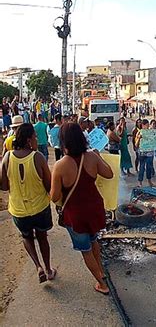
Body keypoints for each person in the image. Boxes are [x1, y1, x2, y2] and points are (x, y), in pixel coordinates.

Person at [50, 122, 113, 295]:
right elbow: (109, 174)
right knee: (94, 241)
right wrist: (99, 157)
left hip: (75, 214)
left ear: (63, 141)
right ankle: (100, 271)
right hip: (94, 208)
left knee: (85, 250)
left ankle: (101, 283)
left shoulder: (60, 165)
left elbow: (54, 197)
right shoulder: (92, 157)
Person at [1, 123, 56, 283]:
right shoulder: (37, 157)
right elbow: (48, 185)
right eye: (34, 136)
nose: (36, 139)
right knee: (42, 237)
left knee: (27, 237)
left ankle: (38, 266)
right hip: (40, 207)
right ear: (28, 139)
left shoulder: (7, 157)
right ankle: (48, 269)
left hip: (18, 209)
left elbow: (3, 186)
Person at [135, 119, 155, 187]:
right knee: (142, 167)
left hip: (150, 153)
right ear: (143, 126)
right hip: (142, 153)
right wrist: (139, 138)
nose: (148, 126)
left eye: (148, 125)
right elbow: (136, 144)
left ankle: (149, 181)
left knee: (149, 167)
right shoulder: (139, 132)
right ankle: (140, 182)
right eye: (146, 125)